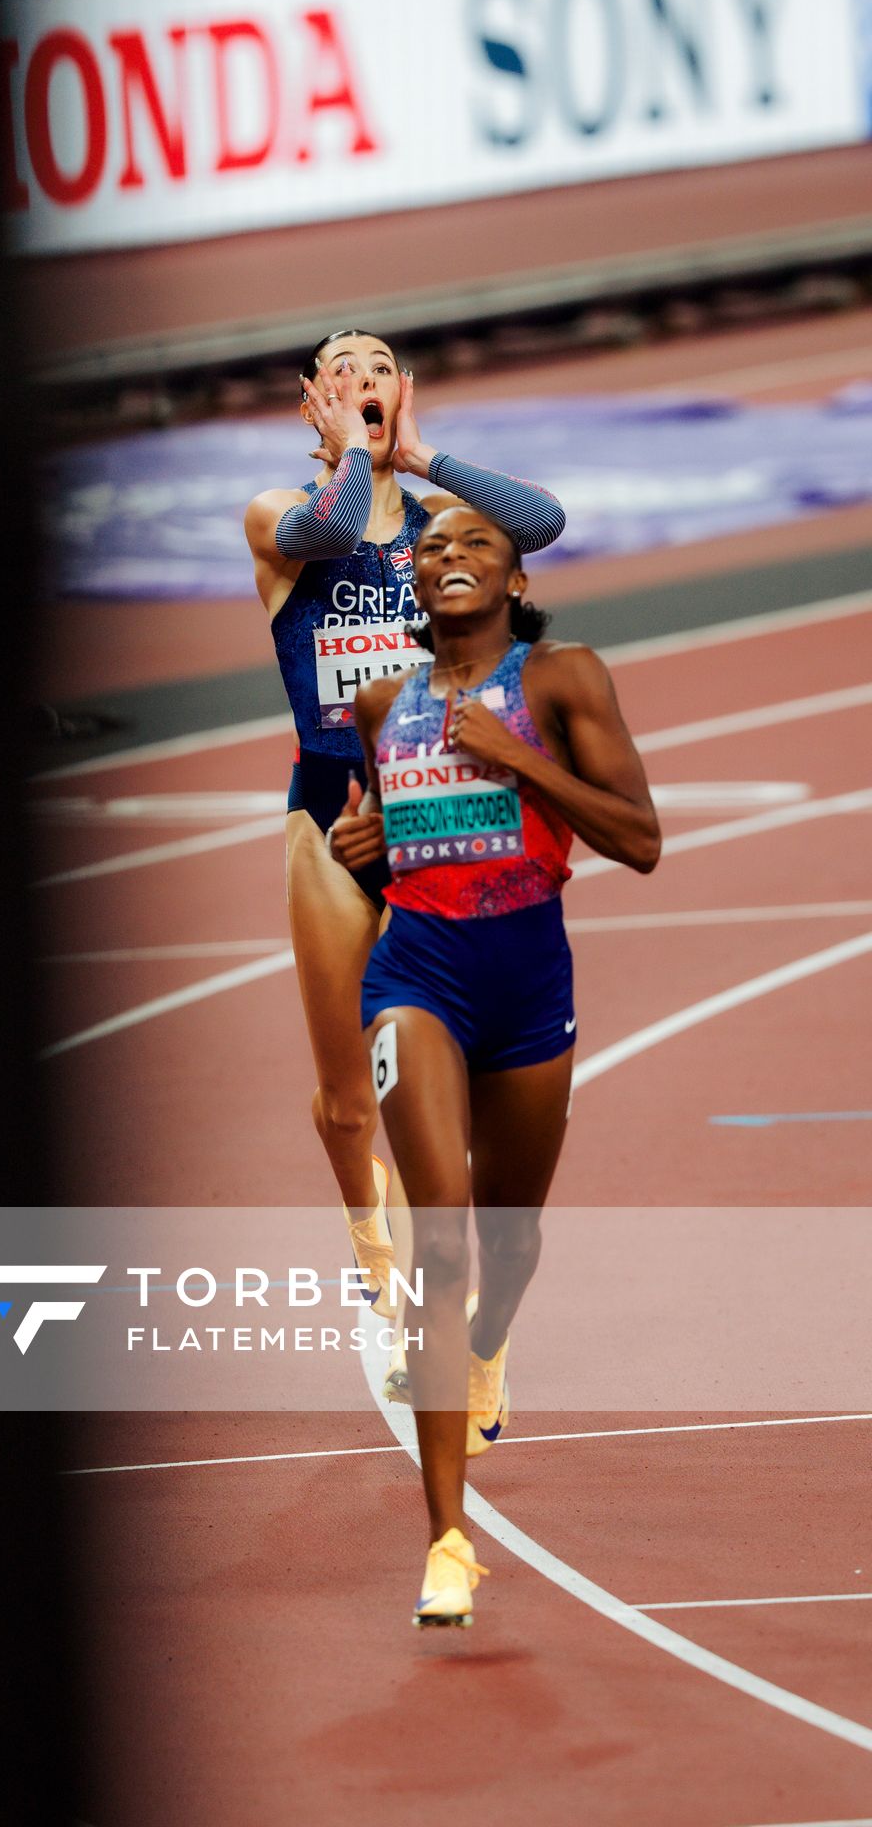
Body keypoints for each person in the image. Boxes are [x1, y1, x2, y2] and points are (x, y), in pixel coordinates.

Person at [329, 499, 661, 1627]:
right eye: (431, 548)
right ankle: (448, 1539)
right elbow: (382, 852)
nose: (449, 557)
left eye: (476, 545)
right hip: (415, 977)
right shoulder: (383, 705)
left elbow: (640, 841)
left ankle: (485, 1349)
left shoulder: (560, 677)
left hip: (530, 991)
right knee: (442, 1233)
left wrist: (519, 759)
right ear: (414, 589)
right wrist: (355, 850)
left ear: (514, 582)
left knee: (506, 1241)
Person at [243, 330, 565, 1327]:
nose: (361, 383)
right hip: (325, 814)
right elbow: (332, 532)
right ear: (313, 400)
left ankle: (464, 1293)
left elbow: (542, 521)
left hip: (432, 814)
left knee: (453, 1077)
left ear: (403, 390)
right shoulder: (276, 516)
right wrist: (352, 451)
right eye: (341, 371)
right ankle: (365, 1229)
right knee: (346, 1098)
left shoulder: (446, 528)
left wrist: (419, 457)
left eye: (377, 368)